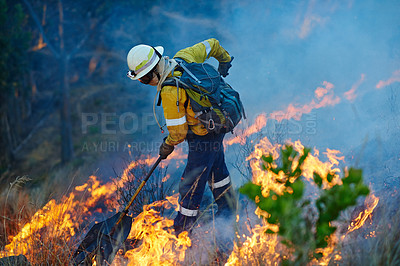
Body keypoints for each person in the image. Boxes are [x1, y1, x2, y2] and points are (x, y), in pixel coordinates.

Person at [126, 38, 237, 235]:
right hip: (218, 127)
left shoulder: (170, 91)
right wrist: (224, 61)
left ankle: (183, 230)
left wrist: (166, 146)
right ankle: (228, 212)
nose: (145, 83)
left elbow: (178, 133)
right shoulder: (184, 57)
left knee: (191, 184)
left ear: (154, 72)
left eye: (143, 79)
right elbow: (213, 44)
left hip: (203, 137)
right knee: (216, 172)